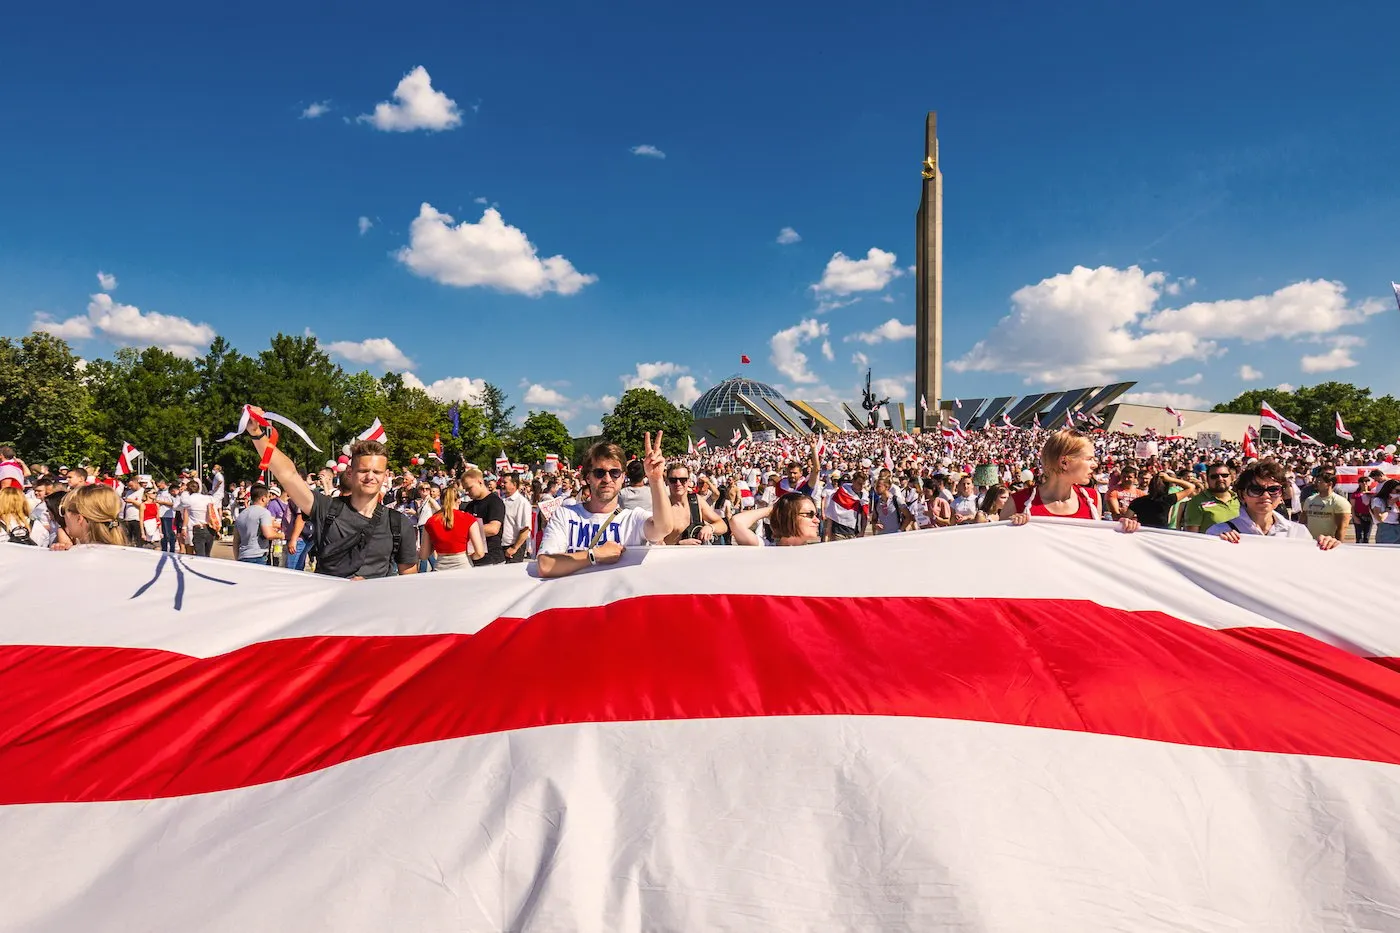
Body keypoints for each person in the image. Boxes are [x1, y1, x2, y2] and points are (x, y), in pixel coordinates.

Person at [245, 408, 418, 578]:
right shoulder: (326, 509)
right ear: (349, 472)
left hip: (374, 606)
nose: (370, 477)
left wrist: (369, 587)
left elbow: (409, 582)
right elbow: (288, 475)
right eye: (363, 470)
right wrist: (256, 433)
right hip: (328, 604)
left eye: (377, 472)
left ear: (385, 475)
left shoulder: (398, 524)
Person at [537, 433, 672, 578]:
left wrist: (656, 479)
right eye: (599, 472)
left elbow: (663, 528)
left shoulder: (633, 519)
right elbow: (546, 565)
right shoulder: (565, 515)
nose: (607, 479)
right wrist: (595, 555)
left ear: (622, 477)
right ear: (588, 477)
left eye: (614, 472)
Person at [1004, 430, 1140, 531]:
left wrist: (1123, 529)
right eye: (1088, 459)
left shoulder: (1092, 499)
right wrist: (1012, 529)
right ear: (1064, 462)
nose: (1095, 465)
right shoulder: (1017, 503)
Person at [1207, 460, 1338, 549]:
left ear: (1281, 495)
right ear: (1242, 495)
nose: (1265, 496)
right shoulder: (1218, 532)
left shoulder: (1298, 532)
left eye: (1273, 490)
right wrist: (1218, 544)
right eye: (1255, 490)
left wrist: (1329, 547)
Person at [419, 485, 486, 571]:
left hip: (440, 567)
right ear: (458, 501)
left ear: (441, 501)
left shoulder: (430, 522)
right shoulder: (469, 519)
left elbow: (423, 555)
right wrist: (470, 556)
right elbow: (480, 553)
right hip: (463, 565)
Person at [663, 463, 728, 545]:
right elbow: (656, 543)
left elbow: (723, 525)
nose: (678, 483)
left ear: (688, 481)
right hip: (673, 555)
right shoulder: (664, 507)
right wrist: (679, 544)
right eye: (673, 480)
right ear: (667, 482)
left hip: (699, 554)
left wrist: (710, 527)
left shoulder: (696, 501)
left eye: (683, 480)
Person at [730, 493, 821, 546]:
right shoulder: (765, 548)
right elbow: (736, 522)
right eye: (810, 514)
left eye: (816, 515)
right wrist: (774, 510)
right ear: (789, 516)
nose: (817, 520)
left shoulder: (818, 553)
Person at [460, 469, 507, 565]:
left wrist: (468, 530)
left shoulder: (495, 502)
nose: (467, 492)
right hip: (473, 559)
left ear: (480, 482)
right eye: (465, 489)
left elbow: (493, 529)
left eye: (469, 488)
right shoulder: (470, 506)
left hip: (492, 559)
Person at [57, 485, 128, 547]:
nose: (63, 517)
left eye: (63, 511)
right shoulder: (129, 555)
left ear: (79, 518)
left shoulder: (73, 559)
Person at [232, 483, 285, 565]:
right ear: (263, 499)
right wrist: (281, 535)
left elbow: (236, 541)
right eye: (268, 497)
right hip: (258, 556)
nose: (269, 500)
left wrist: (237, 559)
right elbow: (268, 534)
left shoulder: (242, 514)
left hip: (243, 556)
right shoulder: (264, 513)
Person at [1128, 470, 1199, 530]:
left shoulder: (1137, 501)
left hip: (1143, 535)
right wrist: (1170, 479)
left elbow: (1126, 518)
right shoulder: (1167, 500)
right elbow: (1191, 487)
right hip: (1161, 534)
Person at [1181, 464, 1240, 533]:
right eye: (1214, 476)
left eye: (1224, 475)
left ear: (1231, 478)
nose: (1220, 479)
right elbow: (1192, 536)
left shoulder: (1241, 499)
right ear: (1207, 479)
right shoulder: (1196, 502)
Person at [1301, 470, 1351, 543]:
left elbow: (1342, 527)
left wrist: (1337, 544)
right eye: (1316, 481)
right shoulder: (1309, 500)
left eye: (1319, 482)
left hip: (1327, 543)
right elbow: (1302, 521)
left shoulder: (1340, 502)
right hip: (1309, 542)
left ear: (1329, 484)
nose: (1316, 484)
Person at [498, 472, 533, 563]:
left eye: (505, 482)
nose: (502, 484)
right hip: (500, 546)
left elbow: (525, 529)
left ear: (514, 484)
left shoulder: (522, 503)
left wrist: (514, 548)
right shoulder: (501, 500)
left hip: (513, 548)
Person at [181, 480, 221, 557]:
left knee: (200, 555)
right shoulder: (209, 498)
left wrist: (183, 492)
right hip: (210, 528)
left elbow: (177, 507)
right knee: (207, 554)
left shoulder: (188, 500)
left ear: (188, 490)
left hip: (198, 528)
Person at [1372, 479, 1400, 545]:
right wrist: (1389, 506)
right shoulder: (1378, 501)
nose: (1398, 493)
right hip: (1386, 528)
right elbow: (1380, 518)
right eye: (1397, 491)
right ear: (1389, 490)